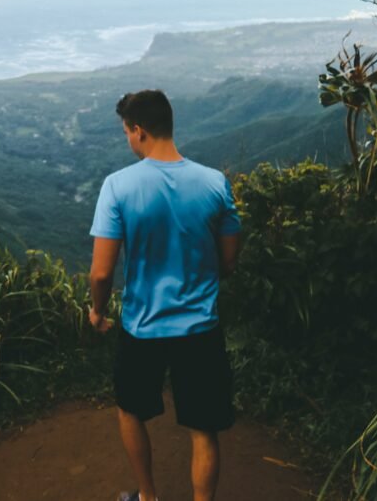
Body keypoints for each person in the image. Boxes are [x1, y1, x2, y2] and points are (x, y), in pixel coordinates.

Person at [88, 90, 241, 501]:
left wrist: (97, 311)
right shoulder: (214, 183)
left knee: (130, 410)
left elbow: (102, 271)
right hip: (200, 326)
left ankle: (148, 496)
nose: (127, 139)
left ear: (138, 131)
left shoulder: (117, 186)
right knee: (202, 428)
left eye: (126, 131)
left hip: (143, 325)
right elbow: (228, 259)